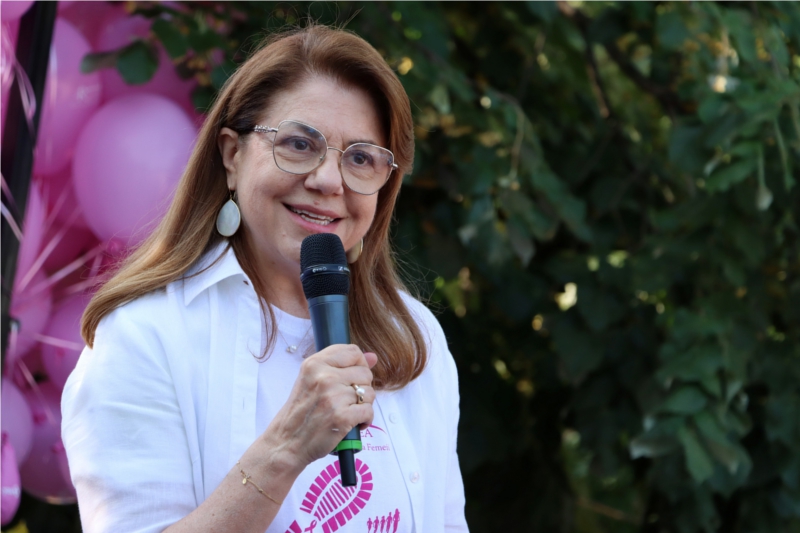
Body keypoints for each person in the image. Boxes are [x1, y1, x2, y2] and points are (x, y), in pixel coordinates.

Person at [61, 25, 468, 533]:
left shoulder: (413, 335)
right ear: (232, 155)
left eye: (361, 158)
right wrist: (285, 449)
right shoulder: (144, 337)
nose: (328, 180)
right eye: (299, 143)